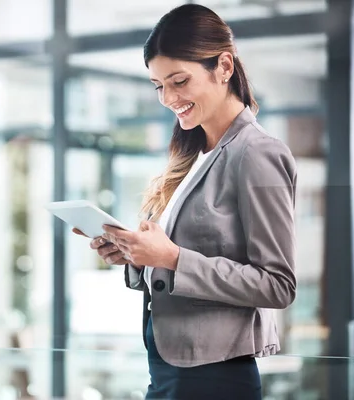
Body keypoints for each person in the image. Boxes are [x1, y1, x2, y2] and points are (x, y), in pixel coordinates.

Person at [74, 4, 297, 399]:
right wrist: (134, 253)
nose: (168, 98)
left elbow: (277, 285)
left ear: (224, 67)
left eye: (179, 81)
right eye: (159, 86)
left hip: (213, 376)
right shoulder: (193, 156)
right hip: (166, 366)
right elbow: (177, 261)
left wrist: (171, 258)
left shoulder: (257, 153)